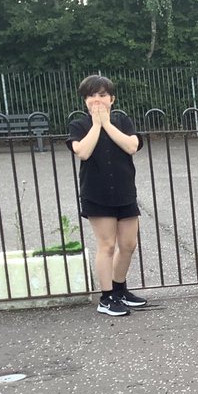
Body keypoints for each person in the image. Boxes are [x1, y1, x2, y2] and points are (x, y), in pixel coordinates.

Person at [67, 75, 148, 317]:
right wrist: (96, 125)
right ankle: (106, 297)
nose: (97, 100)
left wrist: (108, 125)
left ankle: (119, 289)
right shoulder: (78, 125)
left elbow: (132, 146)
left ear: (112, 99)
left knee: (128, 244)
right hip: (96, 193)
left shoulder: (121, 120)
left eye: (103, 95)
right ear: (85, 100)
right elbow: (82, 151)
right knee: (107, 245)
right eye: (92, 95)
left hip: (124, 192)